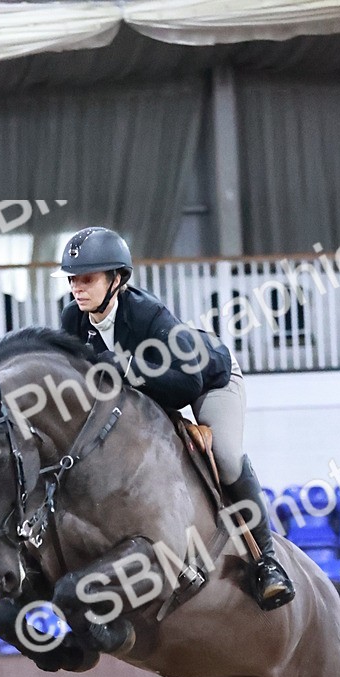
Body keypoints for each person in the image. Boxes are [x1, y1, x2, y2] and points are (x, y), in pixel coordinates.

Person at [57, 226, 295, 610]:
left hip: (209, 381)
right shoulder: (74, 320)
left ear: (116, 279)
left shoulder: (148, 315)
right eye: (72, 279)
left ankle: (267, 560)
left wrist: (129, 368)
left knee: (226, 456)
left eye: (87, 279)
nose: (77, 288)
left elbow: (187, 384)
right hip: (152, 395)